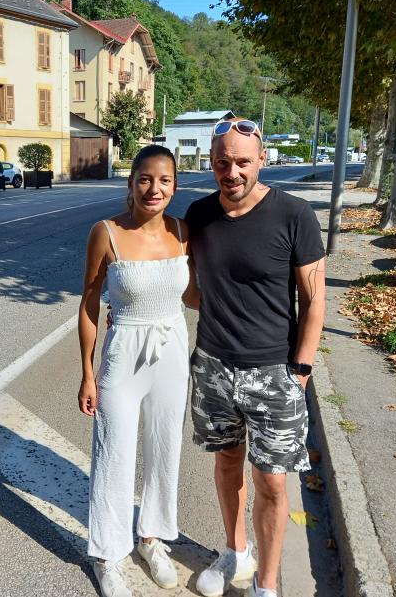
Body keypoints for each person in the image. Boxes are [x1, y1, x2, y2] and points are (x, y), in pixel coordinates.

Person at [184, 117, 326, 597]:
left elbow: (314, 298)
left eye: (243, 162)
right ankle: (234, 552)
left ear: (262, 161)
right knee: (227, 462)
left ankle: (267, 585)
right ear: (211, 160)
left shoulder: (294, 215)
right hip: (213, 367)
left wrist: (301, 368)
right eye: (223, 162)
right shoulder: (198, 215)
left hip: (275, 372)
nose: (232, 172)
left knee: (272, 483)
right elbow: (190, 290)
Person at [78, 145, 194, 597]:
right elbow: (89, 303)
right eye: (145, 178)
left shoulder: (184, 232)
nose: (154, 188)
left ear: (174, 186)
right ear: (131, 183)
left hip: (171, 351)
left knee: (165, 447)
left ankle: (152, 538)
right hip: (124, 350)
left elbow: (196, 295)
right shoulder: (105, 233)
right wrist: (87, 372)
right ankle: (108, 554)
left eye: (164, 180)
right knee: (114, 454)